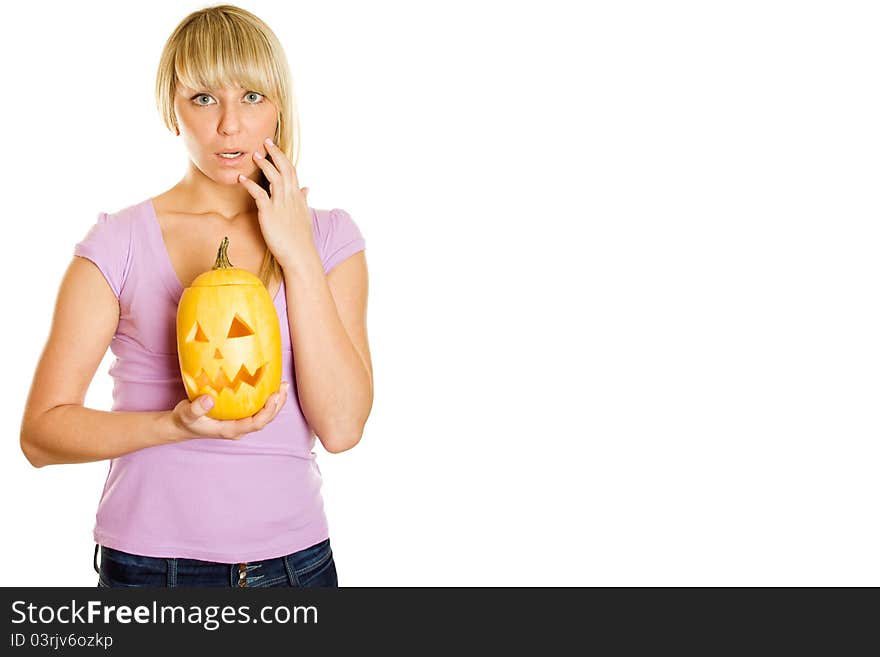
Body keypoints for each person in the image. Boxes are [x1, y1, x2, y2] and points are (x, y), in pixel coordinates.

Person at [18, 5, 372, 588]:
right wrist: (175, 425)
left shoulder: (331, 238)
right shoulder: (118, 242)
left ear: (280, 105)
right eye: (204, 98)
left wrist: (297, 252)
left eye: (253, 96)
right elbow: (41, 435)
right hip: (151, 570)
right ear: (170, 109)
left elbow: (342, 429)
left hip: (297, 567)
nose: (230, 125)